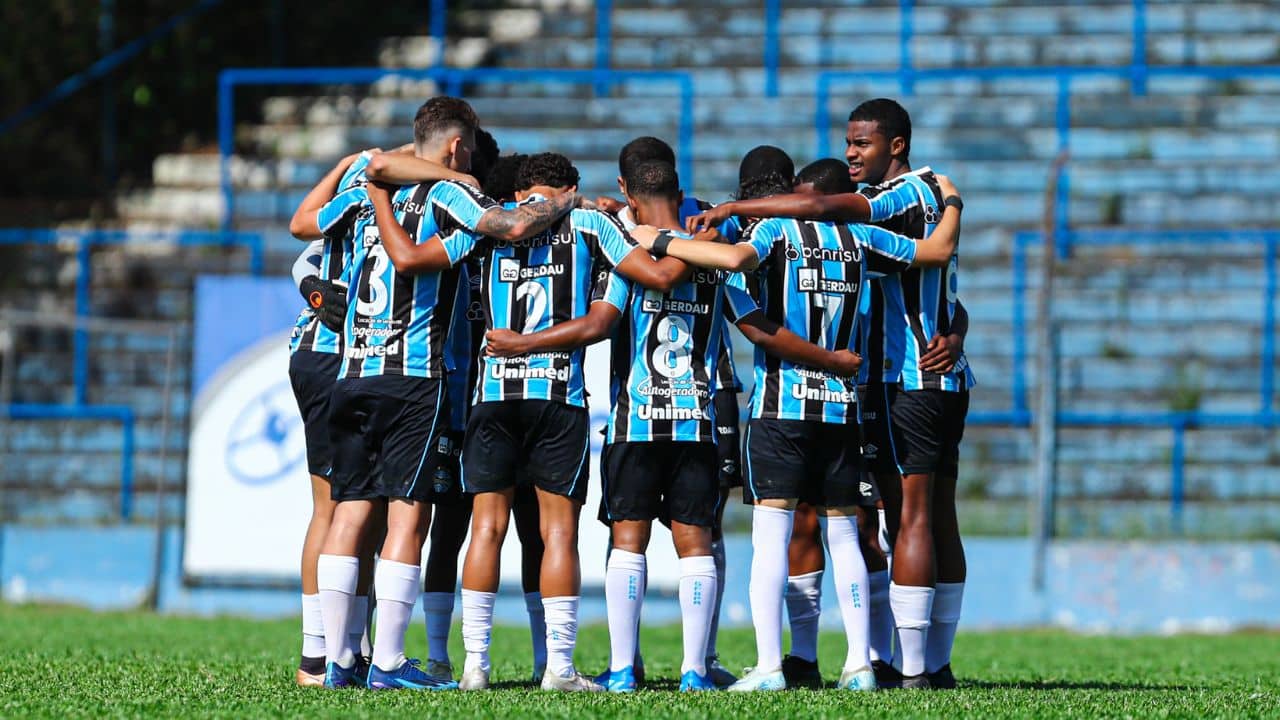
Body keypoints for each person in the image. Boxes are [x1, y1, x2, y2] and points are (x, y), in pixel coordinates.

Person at [486, 159, 867, 693]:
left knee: (628, 542)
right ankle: (694, 669)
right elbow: (756, 325)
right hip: (696, 421)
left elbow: (603, 322)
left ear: (627, 192)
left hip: (635, 421)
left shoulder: (629, 257)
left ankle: (622, 670)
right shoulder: (710, 257)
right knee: (696, 544)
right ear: (681, 191)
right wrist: (830, 358)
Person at [632, 168, 963, 692]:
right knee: (845, 535)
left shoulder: (774, 232)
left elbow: (737, 264)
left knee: (772, 538)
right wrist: (952, 203)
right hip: (840, 411)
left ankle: (769, 667)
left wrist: (657, 237)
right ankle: (858, 665)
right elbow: (936, 254)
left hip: (781, 407)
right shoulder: (861, 238)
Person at [369, 150, 688, 692]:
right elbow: (647, 284)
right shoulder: (590, 223)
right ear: (570, 188)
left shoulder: (488, 226)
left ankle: (474, 666)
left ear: (521, 193)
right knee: (558, 531)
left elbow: (420, 259)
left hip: (490, 398)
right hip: (557, 397)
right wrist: (681, 240)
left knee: (485, 529)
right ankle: (559, 669)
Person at [309, 96, 584, 691]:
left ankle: (336, 661)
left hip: (352, 370)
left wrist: (373, 177)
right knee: (409, 516)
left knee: (350, 510)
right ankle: (386, 662)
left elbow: (305, 224)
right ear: (458, 148)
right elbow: (509, 226)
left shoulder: (360, 195)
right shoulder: (448, 196)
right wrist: (565, 203)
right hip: (412, 378)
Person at [286, 146, 471, 687]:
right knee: (342, 509)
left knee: (351, 511)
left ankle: (344, 649)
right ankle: (320, 655)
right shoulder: (413, 199)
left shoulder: (360, 198)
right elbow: (306, 253)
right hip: (341, 357)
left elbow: (303, 248)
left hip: (338, 360)